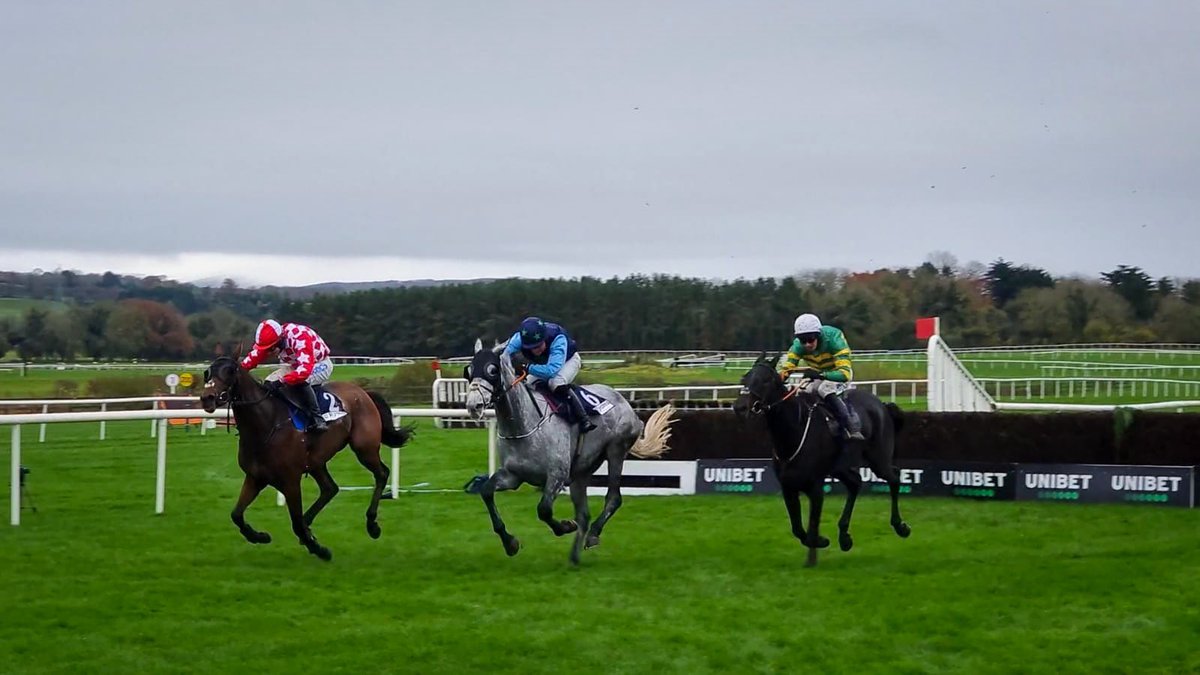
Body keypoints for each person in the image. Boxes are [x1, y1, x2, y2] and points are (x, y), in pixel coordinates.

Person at [780, 313, 865, 441]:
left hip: (838, 374)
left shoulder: (834, 339)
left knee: (824, 389)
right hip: (818, 376)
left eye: (810, 339)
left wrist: (820, 375)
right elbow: (786, 369)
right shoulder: (797, 346)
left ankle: (851, 427)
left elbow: (845, 374)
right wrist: (775, 380)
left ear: (818, 335)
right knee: (802, 391)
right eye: (803, 340)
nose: (807, 344)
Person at [504, 316, 596, 433]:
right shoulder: (519, 338)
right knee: (528, 384)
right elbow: (504, 355)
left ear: (544, 338)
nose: (535, 350)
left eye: (538, 346)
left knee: (555, 383)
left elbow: (551, 371)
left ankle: (584, 419)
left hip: (568, 361)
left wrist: (526, 367)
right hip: (544, 363)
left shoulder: (558, 338)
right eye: (531, 348)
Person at [240, 319, 333, 433]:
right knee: (269, 382)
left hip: (319, 364)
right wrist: (236, 370)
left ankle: (318, 419)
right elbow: (251, 360)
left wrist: (282, 381)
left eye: (270, 349)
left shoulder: (300, 338)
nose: (268, 352)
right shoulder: (273, 340)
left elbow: (304, 371)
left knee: (299, 382)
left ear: (280, 340)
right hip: (297, 365)